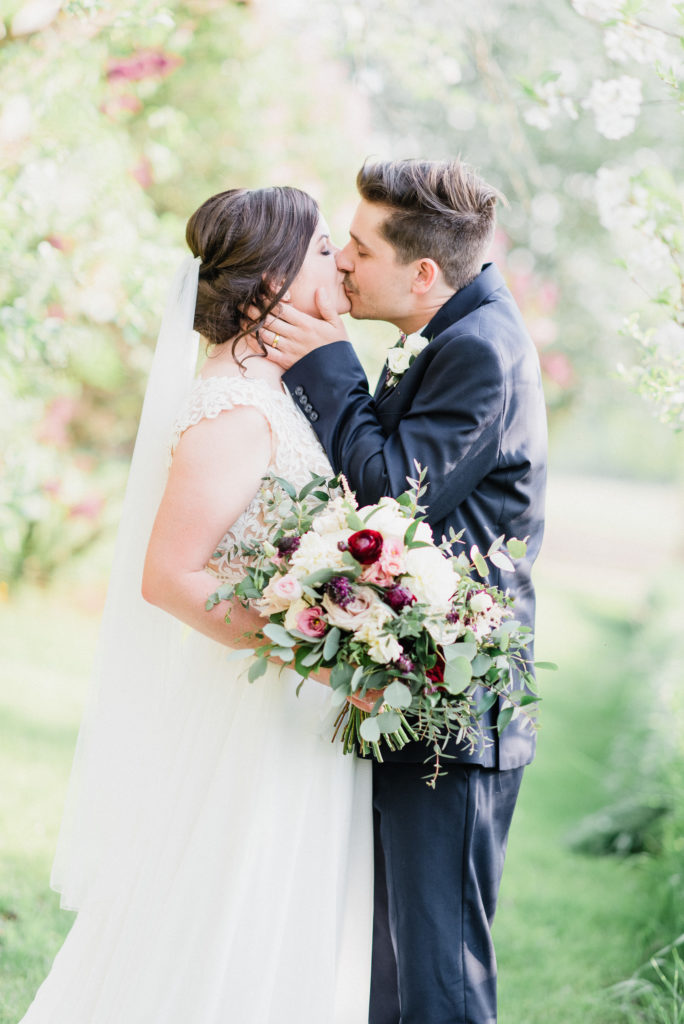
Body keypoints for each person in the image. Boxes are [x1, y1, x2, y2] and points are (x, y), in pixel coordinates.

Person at [17, 186, 373, 1024]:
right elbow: (172, 574)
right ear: (265, 289)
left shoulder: (278, 395)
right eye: (323, 251)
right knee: (231, 914)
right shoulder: (233, 407)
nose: (344, 264)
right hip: (259, 713)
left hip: (296, 702)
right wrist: (316, 645)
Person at [258, 158, 548, 1024]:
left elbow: (393, 493)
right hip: (417, 689)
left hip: (457, 713)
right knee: (395, 970)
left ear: (424, 273)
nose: (340, 261)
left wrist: (329, 363)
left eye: (357, 246)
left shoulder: (480, 349)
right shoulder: (456, 328)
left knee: (440, 978)